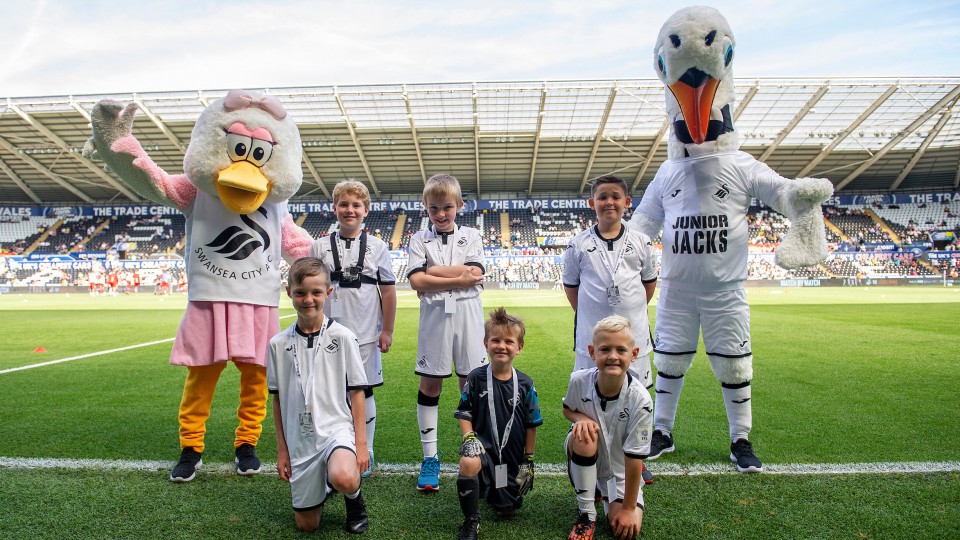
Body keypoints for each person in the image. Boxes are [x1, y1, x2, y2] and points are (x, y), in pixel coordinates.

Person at [562, 175, 658, 484]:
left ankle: (634, 458)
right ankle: (594, 457)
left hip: (634, 336)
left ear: (627, 202)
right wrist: (595, 321)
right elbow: (571, 288)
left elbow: (648, 285)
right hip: (592, 339)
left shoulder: (641, 241)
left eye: (616, 196)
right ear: (592, 204)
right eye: (602, 197)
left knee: (636, 394)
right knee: (591, 395)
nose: (609, 202)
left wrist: (628, 318)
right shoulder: (578, 244)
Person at [267, 257, 370, 533]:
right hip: (300, 441)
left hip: (336, 431)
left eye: (316, 292)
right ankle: (322, 482)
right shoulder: (277, 345)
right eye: (300, 292)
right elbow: (276, 400)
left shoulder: (343, 337)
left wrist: (361, 444)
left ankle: (353, 498)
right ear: (288, 292)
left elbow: (357, 392)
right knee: (307, 525)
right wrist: (282, 449)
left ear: (328, 293)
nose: (308, 299)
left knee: (346, 477)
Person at [310, 179, 397, 477]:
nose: (350, 210)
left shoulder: (378, 246)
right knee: (330, 392)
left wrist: (387, 330)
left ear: (366, 210)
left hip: (366, 335)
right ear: (334, 208)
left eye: (356, 205)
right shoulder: (319, 246)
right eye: (344, 204)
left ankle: (366, 449)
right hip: (328, 335)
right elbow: (312, 289)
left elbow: (387, 291)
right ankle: (332, 446)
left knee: (363, 391)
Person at [406, 173, 487, 492]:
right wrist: (459, 276)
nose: (441, 214)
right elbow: (415, 281)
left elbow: (477, 273)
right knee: (430, 383)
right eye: (434, 208)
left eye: (447, 207)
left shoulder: (472, 234)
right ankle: (430, 459)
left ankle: (476, 452)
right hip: (435, 316)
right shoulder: (417, 239)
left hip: (468, 313)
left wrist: (435, 272)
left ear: (460, 206)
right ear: (425, 207)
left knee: (471, 383)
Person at [453, 307, 542, 539]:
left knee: (507, 510)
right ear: (486, 344)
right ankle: (471, 520)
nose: (501, 346)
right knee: (468, 462)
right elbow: (464, 413)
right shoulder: (475, 378)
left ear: (519, 348)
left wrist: (528, 458)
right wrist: (469, 437)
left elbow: (532, 424)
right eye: (495, 340)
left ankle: (494, 486)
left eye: (508, 341)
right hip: (483, 451)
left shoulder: (525, 384)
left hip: (510, 457)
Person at [563, 316, 652, 540]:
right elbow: (568, 409)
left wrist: (629, 509)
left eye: (621, 350)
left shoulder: (641, 400)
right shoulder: (578, 381)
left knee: (625, 531)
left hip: (619, 471)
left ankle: (605, 493)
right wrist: (580, 419)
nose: (613, 356)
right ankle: (586, 514)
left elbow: (634, 459)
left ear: (634, 354)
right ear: (592, 352)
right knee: (584, 435)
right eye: (605, 350)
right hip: (586, 450)